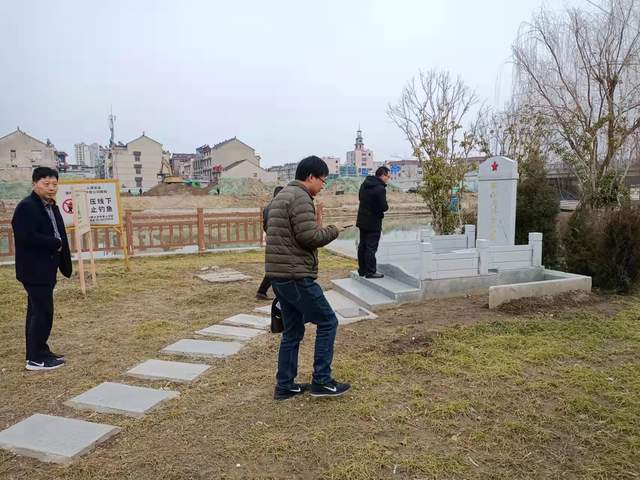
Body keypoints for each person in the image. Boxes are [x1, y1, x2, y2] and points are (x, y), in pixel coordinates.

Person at [266, 156, 351, 400]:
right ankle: (322, 381)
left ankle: (285, 385)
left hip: (279, 274)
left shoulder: (281, 196)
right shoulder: (301, 197)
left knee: (292, 331)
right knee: (327, 321)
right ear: (310, 177)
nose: (323, 185)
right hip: (295, 275)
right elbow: (309, 237)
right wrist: (333, 230)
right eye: (323, 180)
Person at [11, 167, 72, 371]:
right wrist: (54, 243)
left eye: (55, 184)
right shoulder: (27, 206)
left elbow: (59, 231)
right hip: (34, 269)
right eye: (46, 184)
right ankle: (35, 359)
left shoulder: (51, 206)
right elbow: (25, 235)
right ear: (34, 184)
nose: (51, 188)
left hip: (46, 267)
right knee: (42, 313)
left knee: (37, 312)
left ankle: (40, 351)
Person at [356, 166, 391, 278]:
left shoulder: (364, 185)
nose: (388, 179)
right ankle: (371, 271)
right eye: (387, 176)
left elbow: (361, 199)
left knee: (363, 246)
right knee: (371, 247)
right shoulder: (380, 189)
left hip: (362, 220)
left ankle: (362, 270)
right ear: (382, 175)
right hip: (373, 222)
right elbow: (384, 207)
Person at [256, 186, 284, 300]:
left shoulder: (267, 208)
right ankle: (262, 291)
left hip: (272, 240)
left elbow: (265, 226)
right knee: (279, 268)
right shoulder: (280, 207)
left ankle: (262, 291)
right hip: (281, 241)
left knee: (276, 268)